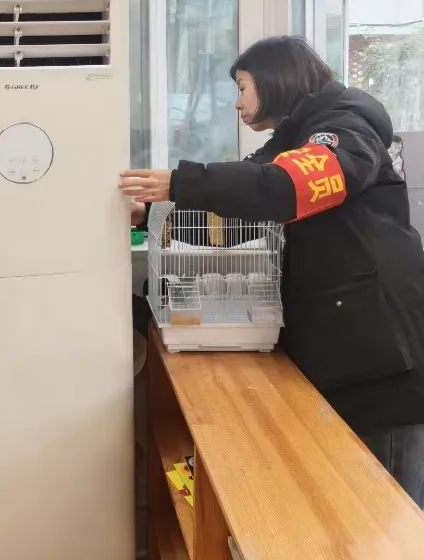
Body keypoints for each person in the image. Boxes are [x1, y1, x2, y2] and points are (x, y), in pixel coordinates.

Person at [121, 35, 424, 507]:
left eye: (243, 87)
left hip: (381, 355)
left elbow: (286, 188)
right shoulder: (291, 142)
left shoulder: (345, 126)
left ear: (276, 79)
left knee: (385, 508)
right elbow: (240, 213)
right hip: (341, 342)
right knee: (341, 501)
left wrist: (181, 181)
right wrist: (152, 217)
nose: (237, 103)